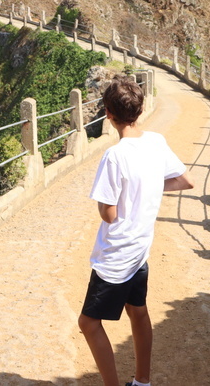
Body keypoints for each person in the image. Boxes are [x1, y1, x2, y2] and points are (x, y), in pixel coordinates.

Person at [78, 76, 193, 386]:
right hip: (139, 251)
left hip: (116, 254)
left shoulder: (115, 155)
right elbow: (185, 180)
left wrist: (114, 203)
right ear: (140, 110)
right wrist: (150, 189)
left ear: (108, 113)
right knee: (138, 311)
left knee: (88, 323)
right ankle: (142, 382)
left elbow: (109, 214)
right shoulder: (156, 141)